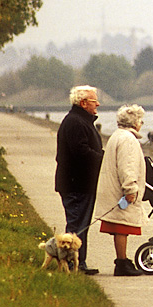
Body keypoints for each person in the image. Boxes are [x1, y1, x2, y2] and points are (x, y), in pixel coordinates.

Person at [54, 85, 104, 275]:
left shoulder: (80, 120)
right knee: (77, 224)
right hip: (76, 184)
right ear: (83, 103)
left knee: (80, 223)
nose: (97, 104)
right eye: (94, 101)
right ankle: (73, 264)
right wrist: (103, 159)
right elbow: (81, 152)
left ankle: (78, 262)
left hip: (80, 183)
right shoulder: (76, 122)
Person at [95, 104, 148, 276]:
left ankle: (123, 260)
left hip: (114, 188)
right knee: (122, 226)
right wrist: (130, 188)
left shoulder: (117, 136)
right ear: (135, 122)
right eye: (140, 120)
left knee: (119, 226)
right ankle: (122, 263)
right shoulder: (128, 140)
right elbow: (128, 166)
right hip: (121, 190)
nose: (142, 123)